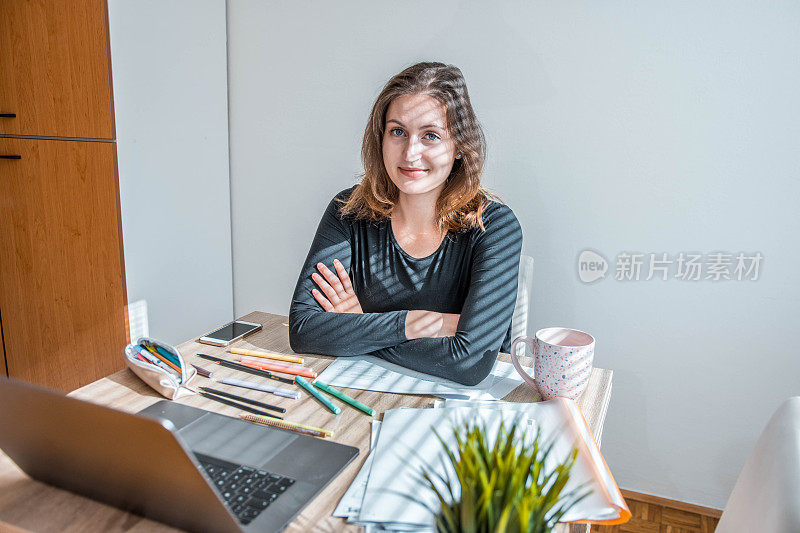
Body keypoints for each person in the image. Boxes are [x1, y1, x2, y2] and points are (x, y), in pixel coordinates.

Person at [288, 62, 522, 386]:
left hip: (457, 419)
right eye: (398, 131)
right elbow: (304, 330)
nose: (410, 153)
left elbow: (470, 361)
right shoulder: (348, 211)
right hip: (361, 404)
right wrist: (417, 324)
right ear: (380, 138)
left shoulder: (495, 228)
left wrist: (362, 328)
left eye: (430, 136)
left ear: (458, 147)